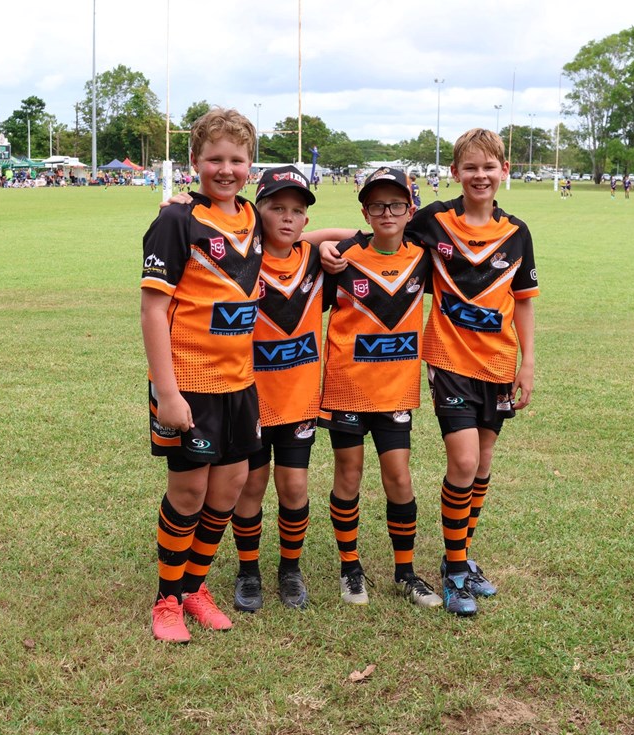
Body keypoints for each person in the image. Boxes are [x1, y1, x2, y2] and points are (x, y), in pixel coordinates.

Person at [321, 130, 539, 617]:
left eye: (489, 167)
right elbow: (377, 230)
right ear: (456, 172)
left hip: (499, 364)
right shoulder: (432, 221)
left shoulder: (517, 232)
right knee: (462, 463)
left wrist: (528, 362)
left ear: (503, 170)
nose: (480, 176)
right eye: (470, 167)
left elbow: (522, 301)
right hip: (448, 362)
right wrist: (325, 248)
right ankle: (456, 565)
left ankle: (457, 555)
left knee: (481, 465)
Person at [141, 107, 262, 644]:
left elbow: (295, 237)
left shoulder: (253, 217)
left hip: (240, 383)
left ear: (250, 165)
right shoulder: (176, 220)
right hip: (188, 383)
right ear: (195, 162)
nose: (226, 168)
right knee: (189, 492)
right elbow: (151, 312)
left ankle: (195, 587)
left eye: (237, 159)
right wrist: (166, 392)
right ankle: (167, 598)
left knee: (229, 489)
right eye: (215, 158)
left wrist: (337, 240)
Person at [229, 167, 350, 613]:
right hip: (252, 398)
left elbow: (362, 231)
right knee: (251, 485)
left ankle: (290, 569)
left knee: (295, 488)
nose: (287, 218)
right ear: (256, 211)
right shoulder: (242, 258)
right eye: (276, 208)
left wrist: (320, 240)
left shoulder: (316, 260)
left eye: (297, 212)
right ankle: (248, 571)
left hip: (299, 399)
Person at [319, 168, 441, 610]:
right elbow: (291, 239)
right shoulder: (344, 255)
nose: (386, 212)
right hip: (347, 388)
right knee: (348, 475)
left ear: (411, 209)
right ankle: (350, 568)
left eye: (396, 204)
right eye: (376, 205)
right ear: (364, 211)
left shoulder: (425, 256)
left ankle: (405, 572)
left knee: (399, 478)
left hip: (396, 393)